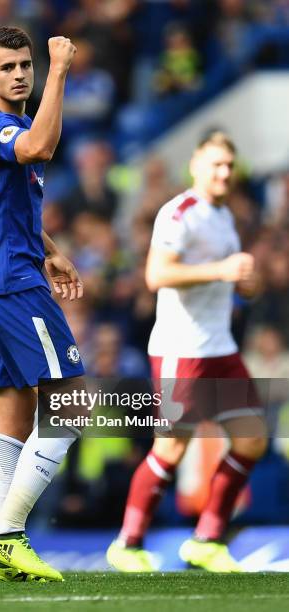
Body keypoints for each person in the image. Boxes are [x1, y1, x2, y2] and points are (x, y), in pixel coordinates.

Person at [106, 131, 267, 573]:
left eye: (230, 167)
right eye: (215, 164)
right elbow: (157, 274)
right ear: (195, 163)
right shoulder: (179, 213)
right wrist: (222, 269)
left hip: (221, 347)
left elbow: (230, 283)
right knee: (170, 451)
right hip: (183, 350)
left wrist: (247, 285)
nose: (223, 173)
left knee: (253, 439)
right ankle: (128, 542)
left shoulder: (224, 219)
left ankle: (207, 538)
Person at [0, 27, 86, 583]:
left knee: (11, 423)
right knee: (74, 407)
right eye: (7, 67)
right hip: (11, 286)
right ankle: (6, 535)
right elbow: (40, 145)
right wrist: (59, 70)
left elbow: (1, 209)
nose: (19, 74)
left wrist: (49, 250)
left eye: (27, 66)